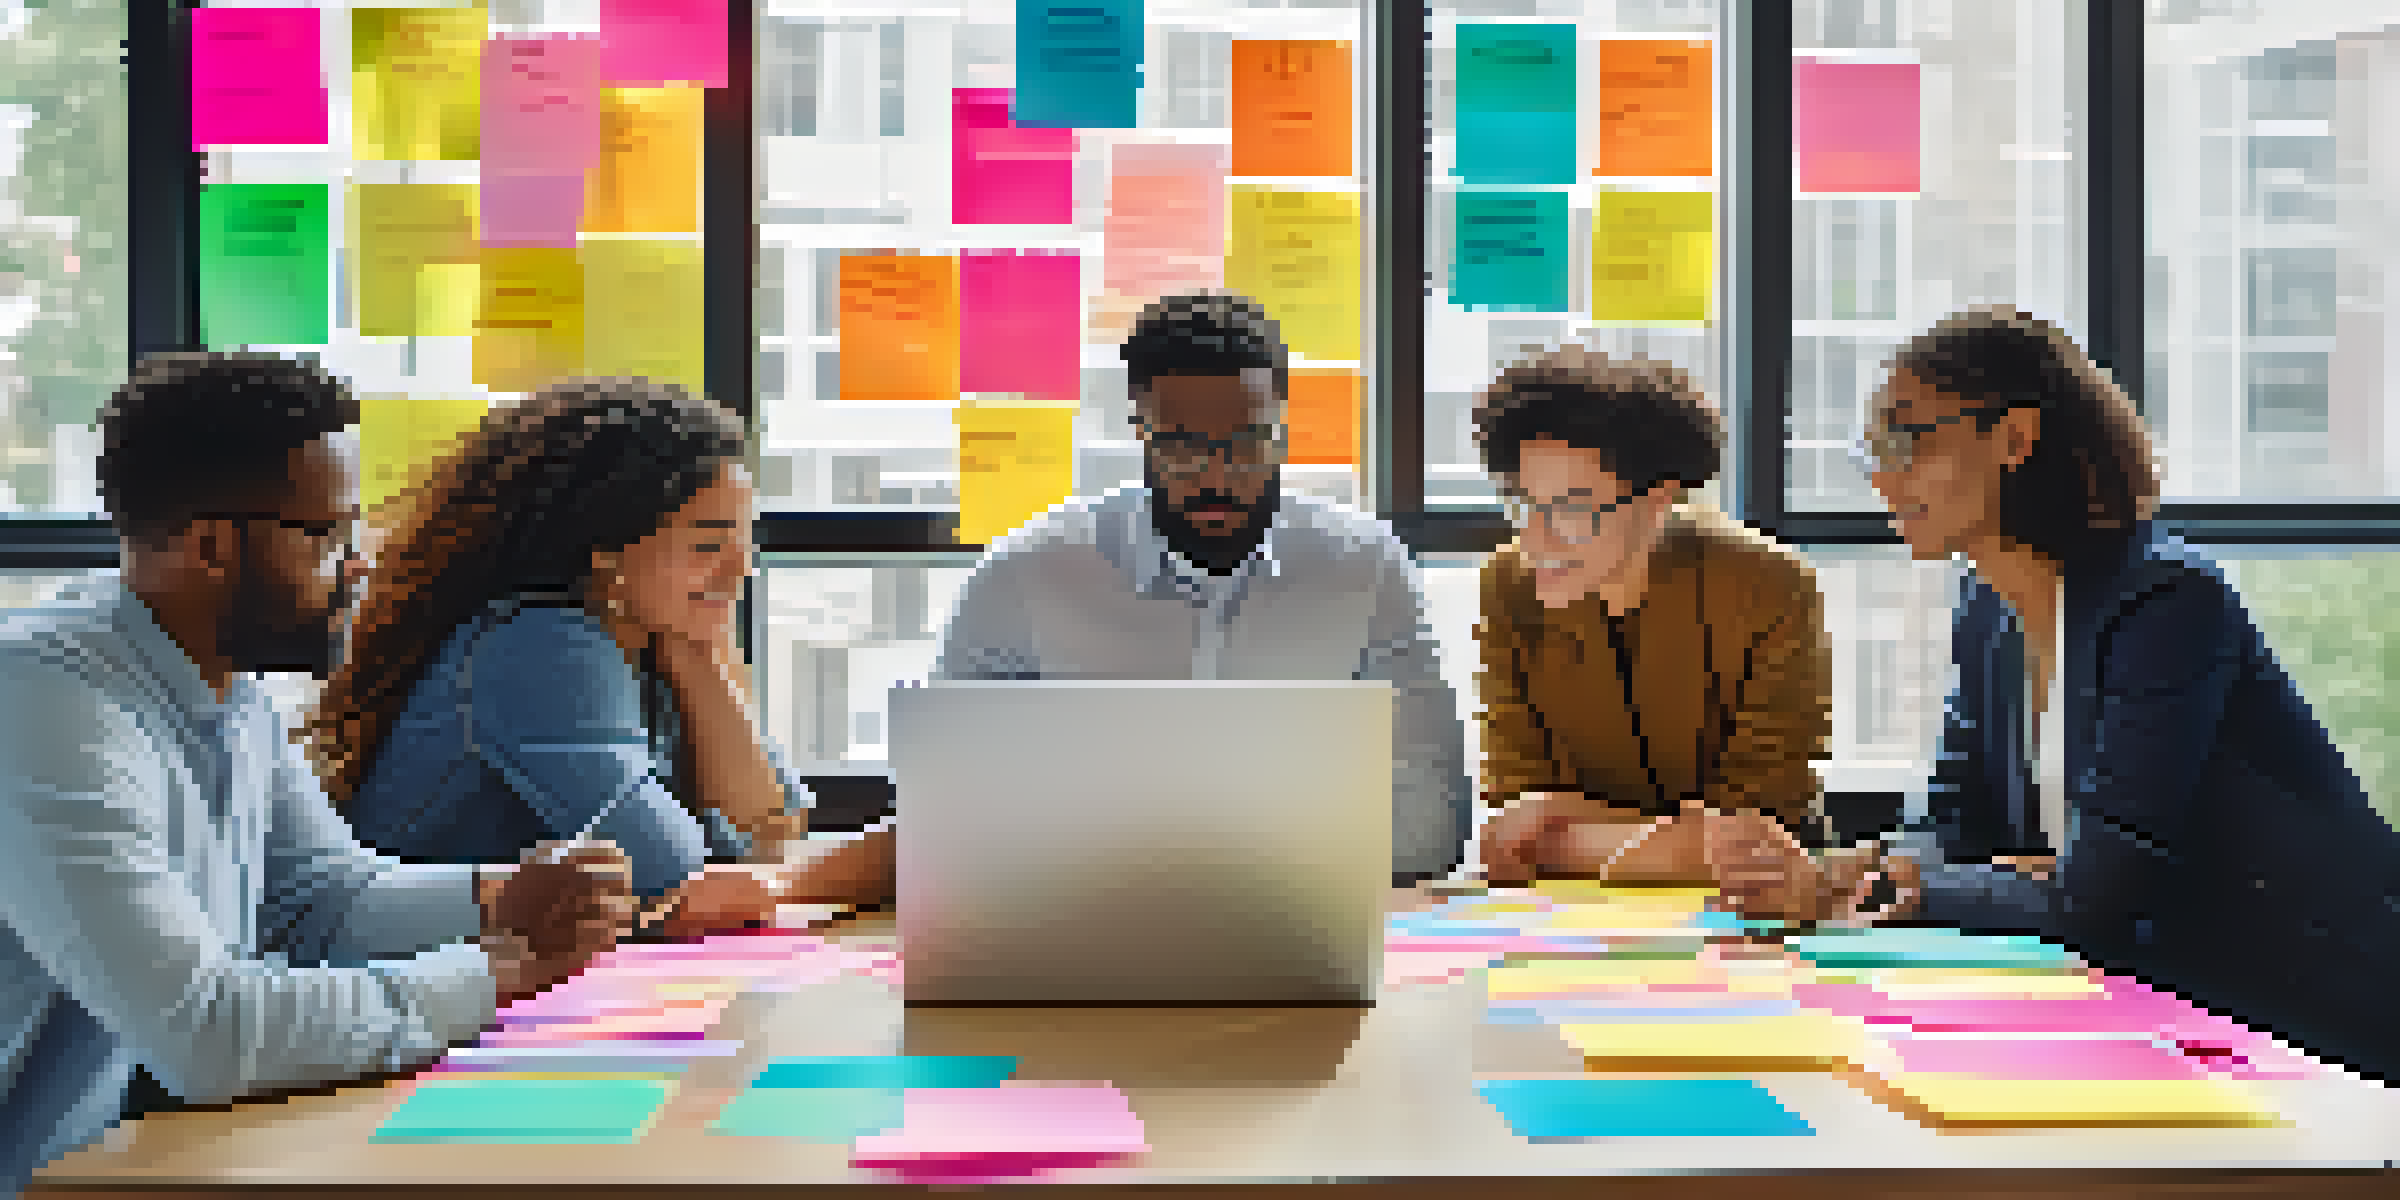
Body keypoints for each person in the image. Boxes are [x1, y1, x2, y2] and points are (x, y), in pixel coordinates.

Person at [1711, 306, 2400, 1079]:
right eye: (1873, 450)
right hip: (2148, 1006)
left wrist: (1953, 879)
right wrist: (1852, 869)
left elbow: (2098, 897)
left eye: (1906, 443)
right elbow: (1950, 826)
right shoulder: (1988, 608)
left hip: (2306, 1022)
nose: (1882, 475)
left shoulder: (2167, 604)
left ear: (2014, 439)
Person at [0, 353, 635, 1191]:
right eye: (329, 536)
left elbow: (322, 901)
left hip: (127, 1164)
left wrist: (501, 896)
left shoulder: (225, 687)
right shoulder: (48, 703)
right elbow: (208, 1036)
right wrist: (501, 973)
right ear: (211, 546)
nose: (358, 566)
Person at [814, 292, 1475, 896]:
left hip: (1302, 914)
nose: (1217, 476)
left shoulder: (1365, 569)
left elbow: (1430, 823)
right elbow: (943, 812)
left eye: (1246, 445)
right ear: (1141, 431)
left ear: (1279, 430)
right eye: (1184, 449)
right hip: (1073, 918)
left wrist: (1172, 854)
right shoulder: (1028, 574)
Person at [316, 377, 832, 935]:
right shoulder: (539, 643)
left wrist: (697, 652)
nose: (740, 570)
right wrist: (883, 861)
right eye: (708, 545)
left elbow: (770, 829)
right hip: (423, 983)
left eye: (744, 541)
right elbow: (681, 882)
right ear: (606, 550)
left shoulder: (647, 638)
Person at [1470, 347, 1835, 901]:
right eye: (1522, 504)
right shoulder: (1508, 584)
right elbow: (1513, 828)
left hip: (1751, 919)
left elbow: (1752, 839)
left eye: (1570, 510)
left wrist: (1572, 828)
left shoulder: (1770, 587)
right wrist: (1664, 843)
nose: (1537, 541)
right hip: (1569, 922)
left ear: (1656, 502)